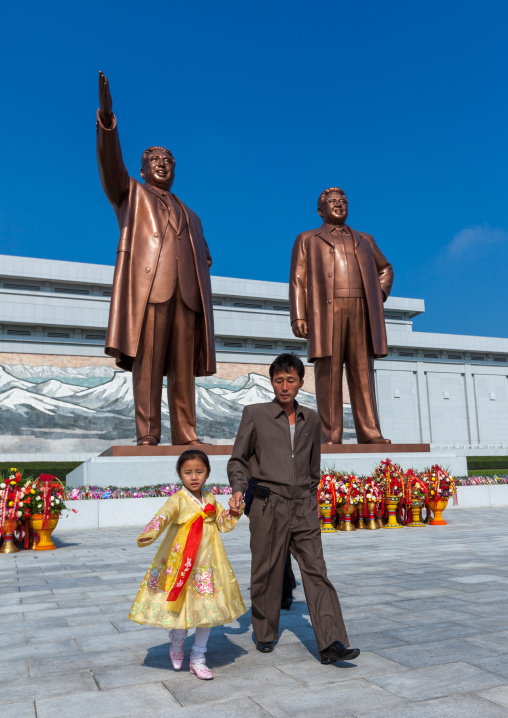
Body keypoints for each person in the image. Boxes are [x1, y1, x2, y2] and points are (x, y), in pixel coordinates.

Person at [96, 71, 216, 446]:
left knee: (183, 370)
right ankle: (147, 434)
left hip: (187, 296)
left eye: (168, 161)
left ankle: (186, 433)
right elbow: (111, 166)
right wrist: (107, 120)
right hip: (150, 291)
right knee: (147, 366)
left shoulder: (192, 214)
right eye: (154, 160)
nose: (162, 164)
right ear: (144, 168)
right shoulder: (130, 194)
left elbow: (205, 258)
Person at [227, 353, 360, 664]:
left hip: (302, 506)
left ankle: (332, 642)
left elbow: (314, 467)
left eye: (290, 380)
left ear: (301, 382)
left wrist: (310, 499)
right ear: (271, 382)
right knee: (266, 571)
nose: (284, 386)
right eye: (278, 380)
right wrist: (237, 489)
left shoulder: (312, 419)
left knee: (316, 572)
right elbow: (238, 460)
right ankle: (264, 631)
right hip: (266, 503)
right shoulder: (255, 414)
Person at [128, 449, 246, 679]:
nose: (194, 477)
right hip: (182, 562)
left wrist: (233, 510)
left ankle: (199, 657)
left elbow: (223, 523)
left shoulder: (210, 498)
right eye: (188, 472)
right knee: (180, 605)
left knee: (206, 611)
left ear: (208, 474)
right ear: (180, 475)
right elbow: (164, 516)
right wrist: (150, 533)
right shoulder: (178, 499)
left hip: (207, 564)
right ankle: (178, 640)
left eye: (199, 472)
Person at [289, 187, 394, 444]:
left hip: (360, 308)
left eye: (342, 201)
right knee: (329, 373)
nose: (338, 205)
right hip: (325, 312)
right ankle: (330, 435)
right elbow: (298, 280)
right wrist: (299, 316)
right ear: (320, 211)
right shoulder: (307, 239)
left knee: (362, 372)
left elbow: (386, 269)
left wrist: (376, 296)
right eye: (332, 202)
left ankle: (370, 433)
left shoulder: (364, 239)